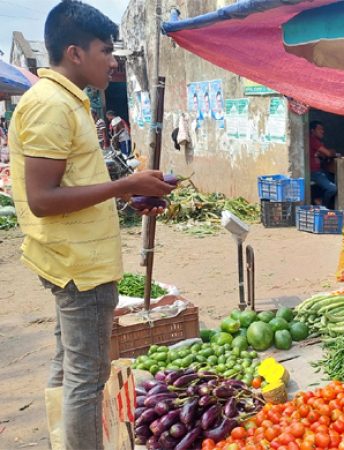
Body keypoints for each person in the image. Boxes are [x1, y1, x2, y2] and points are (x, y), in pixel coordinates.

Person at [7, 2, 175, 449]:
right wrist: (125, 182)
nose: (113, 59)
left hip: (76, 255)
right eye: (105, 50)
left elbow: (76, 184)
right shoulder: (50, 106)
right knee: (87, 377)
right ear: (74, 53)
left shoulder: (69, 101)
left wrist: (129, 193)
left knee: (70, 366)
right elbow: (43, 199)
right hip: (77, 265)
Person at [309, 120, 337, 208]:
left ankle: (318, 200)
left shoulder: (317, 141)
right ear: (312, 131)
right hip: (313, 172)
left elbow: (323, 154)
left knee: (336, 180)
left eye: (323, 129)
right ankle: (323, 206)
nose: (322, 131)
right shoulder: (312, 140)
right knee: (332, 188)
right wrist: (332, 152)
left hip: (319, 171)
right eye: (320, 129)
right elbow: (328, 153)